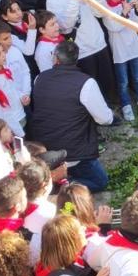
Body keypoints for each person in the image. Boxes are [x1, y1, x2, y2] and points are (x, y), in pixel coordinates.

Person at [27, 41, 114, 192]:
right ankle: (61, 184)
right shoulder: (86, 83)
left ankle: (53, 178)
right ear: (76, 59)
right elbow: (105, 119)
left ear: (56, 59)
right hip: (74, 151)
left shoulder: (39, 79)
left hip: (45, 148)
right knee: (101, 182)